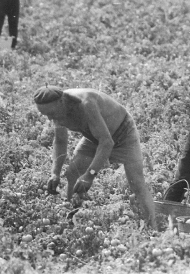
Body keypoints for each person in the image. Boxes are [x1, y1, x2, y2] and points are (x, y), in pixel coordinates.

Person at [33, 86, 156, 227]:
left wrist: (90, 175)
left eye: (51, 113)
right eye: (45, 114)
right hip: (94, 136)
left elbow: (107, 142)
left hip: (123, 133)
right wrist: (54, 173)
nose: (50, 118)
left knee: (137, 183)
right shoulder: (57, 112)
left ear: (61, 102)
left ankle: (153, 229)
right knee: (72, 172)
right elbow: (60, 142)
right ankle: (70, 221)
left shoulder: (86, 104)